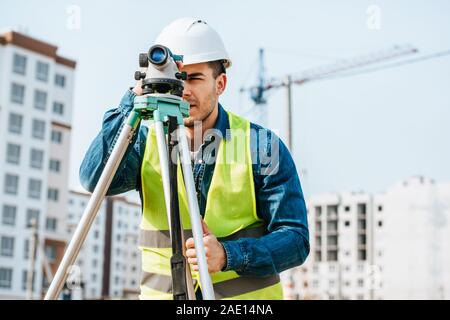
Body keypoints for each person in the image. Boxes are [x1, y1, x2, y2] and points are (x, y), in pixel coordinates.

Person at [80, 17, 309, 300]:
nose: (183, 90)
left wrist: (229, 255)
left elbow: (296, 240)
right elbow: (94, 178)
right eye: (177, 77)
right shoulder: (142, 140)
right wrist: (134, 97)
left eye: (195, 78)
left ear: (220, 83)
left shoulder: (261, 145)